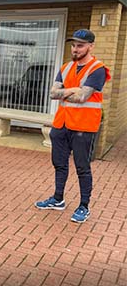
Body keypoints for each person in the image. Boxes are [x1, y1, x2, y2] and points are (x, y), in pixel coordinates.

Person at [35, 29, 111, 223]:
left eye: (80, 45)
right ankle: (58, 199)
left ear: (91, 46)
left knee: (82, 167)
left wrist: (67, 91)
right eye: (73, 45)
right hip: (61, 124)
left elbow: (83, 97)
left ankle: (84, 206)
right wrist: (72, 90)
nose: (75, 49)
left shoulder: (97, 69)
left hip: (83, 127)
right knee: (59, 164)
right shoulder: (66, 67)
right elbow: (53, 93)